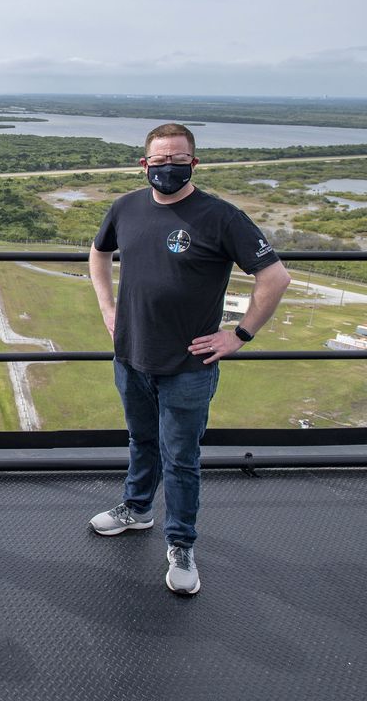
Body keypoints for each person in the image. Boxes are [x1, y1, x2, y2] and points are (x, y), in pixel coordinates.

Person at [88, 122, 291, 595]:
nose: (167, 167)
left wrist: (239, 334)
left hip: (188, 367)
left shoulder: (220, 217)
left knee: (181, 459)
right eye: (158, 160)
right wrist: (107, 307)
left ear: (194, 162)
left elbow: (275, 277)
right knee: (142, 441)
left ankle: (181, 543)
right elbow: (98, 255)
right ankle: (137, 510)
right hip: (132, 356)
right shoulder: (126, 207)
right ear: (144, 164)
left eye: (177, 159)